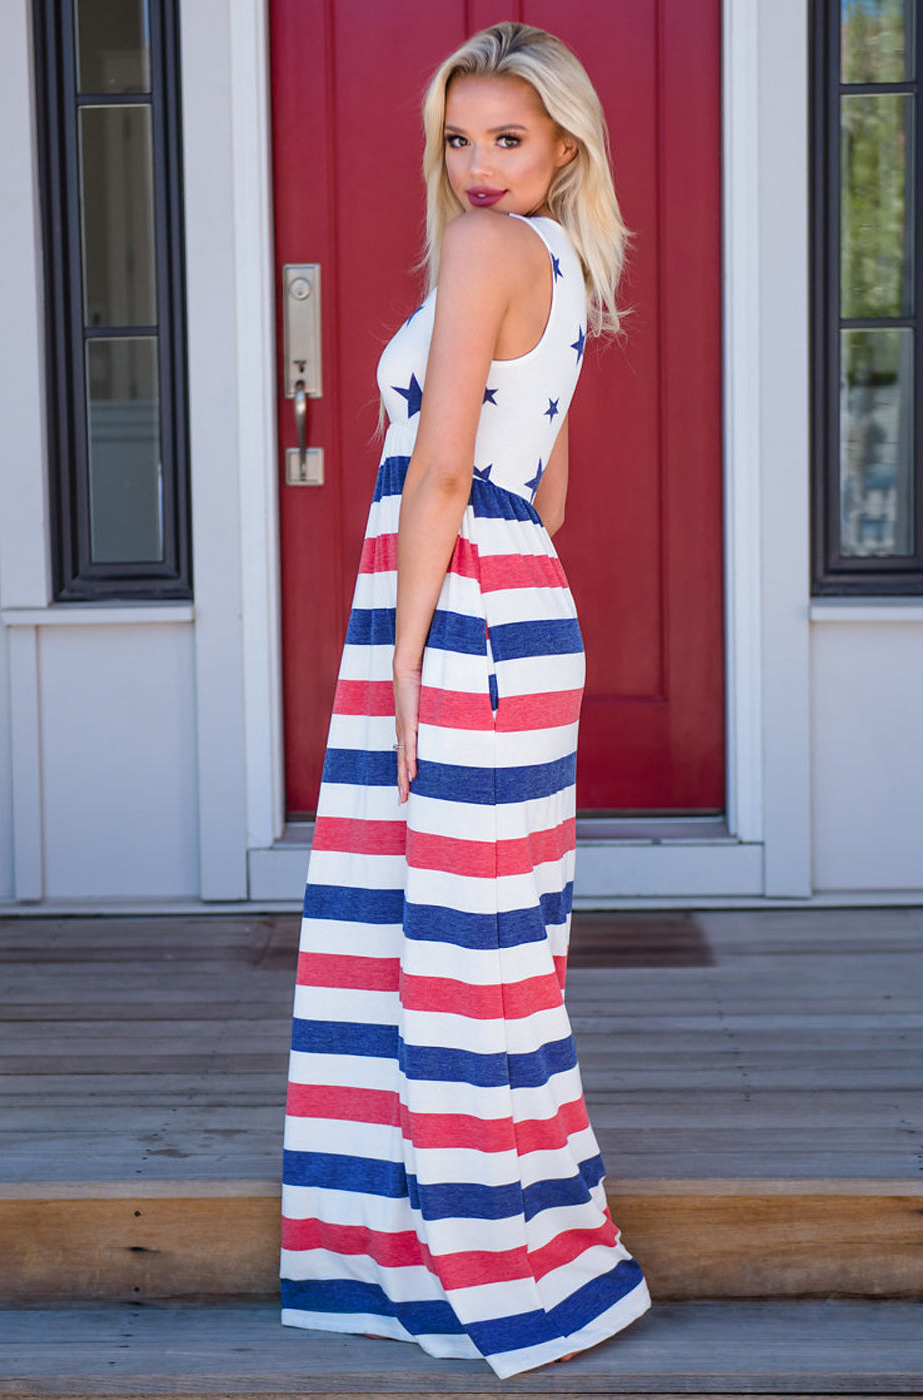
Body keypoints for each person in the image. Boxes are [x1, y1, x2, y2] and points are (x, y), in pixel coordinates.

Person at [279, 20, 651, 1379]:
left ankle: (482, 1265)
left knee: (449, 949)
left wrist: (400, 665)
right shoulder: (559, 259)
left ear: (562, 146)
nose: (479, 165)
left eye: (507, 138)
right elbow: (536, 483)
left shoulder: (488, 251)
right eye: (459, 138)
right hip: (511, 605)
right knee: (483, 951)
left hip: (458, 622)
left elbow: (438, 476)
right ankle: (496, 1241)